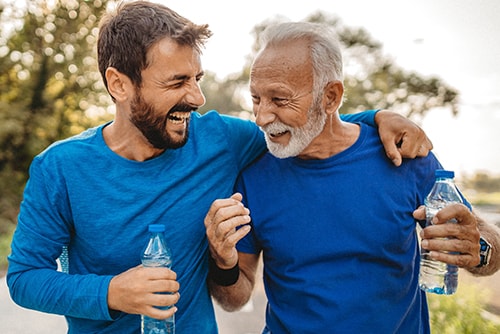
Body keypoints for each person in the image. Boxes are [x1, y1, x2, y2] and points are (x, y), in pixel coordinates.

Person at [7, 2, 433, 333]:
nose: (196, 98)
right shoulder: (60, 168)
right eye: (177, 82)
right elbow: (25, 278)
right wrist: (111, 292)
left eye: (197, 78)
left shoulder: (221, 141)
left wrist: (376, 118)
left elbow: (305, 125)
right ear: (119, 84)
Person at [204, 21, 500, 333]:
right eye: (256, 99)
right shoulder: (253, 175)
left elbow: (490, 246)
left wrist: (479, 250)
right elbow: (235, 298)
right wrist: (223, 262)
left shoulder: (402, 154)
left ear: (330, 97)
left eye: (279, 100)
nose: (262, 117)